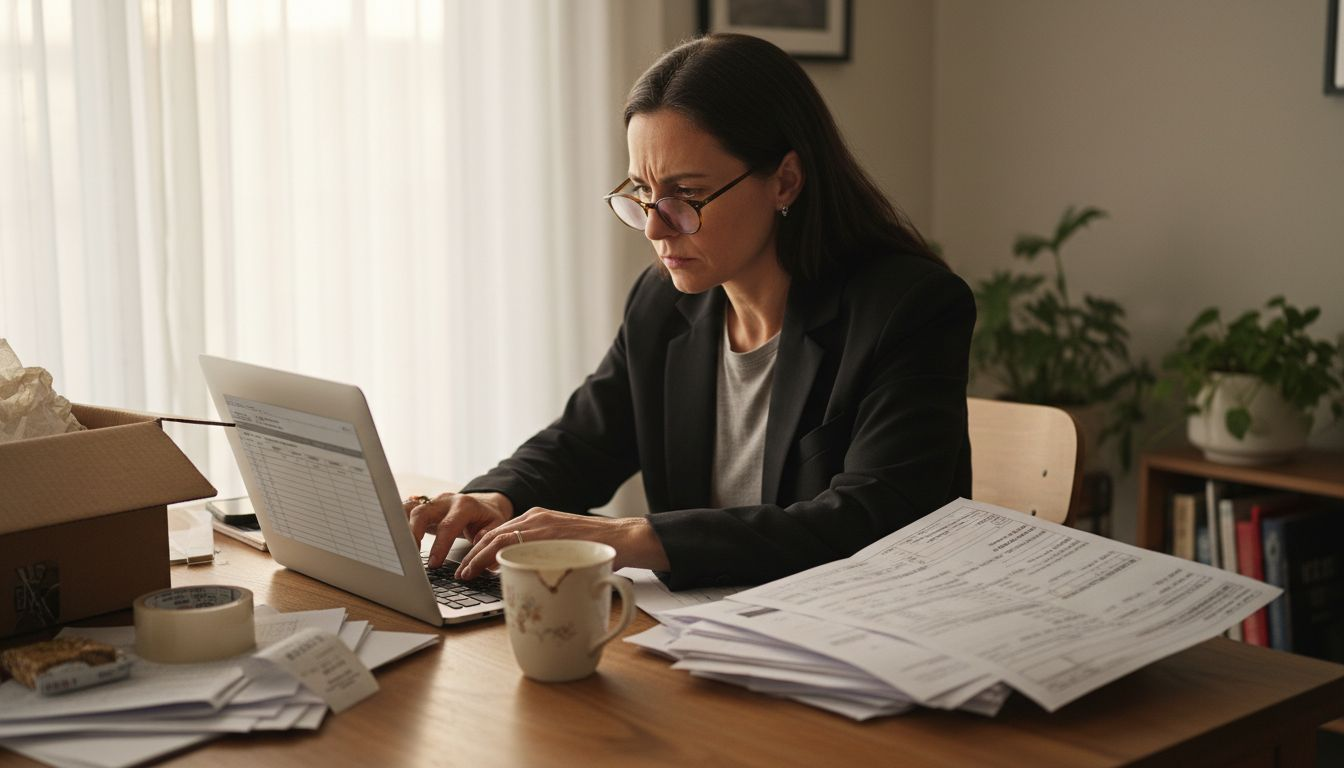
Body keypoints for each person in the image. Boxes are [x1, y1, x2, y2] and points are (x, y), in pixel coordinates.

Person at [405, 33, 974, 590]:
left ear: (785, 181)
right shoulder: (664, 304)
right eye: (643, 193)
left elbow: (871, 521)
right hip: (698, 626)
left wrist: (630, 535)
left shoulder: (909, 308)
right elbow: (582, 443)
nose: (655, 228)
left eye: (685, 196)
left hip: (851, 625)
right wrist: (495, 497)